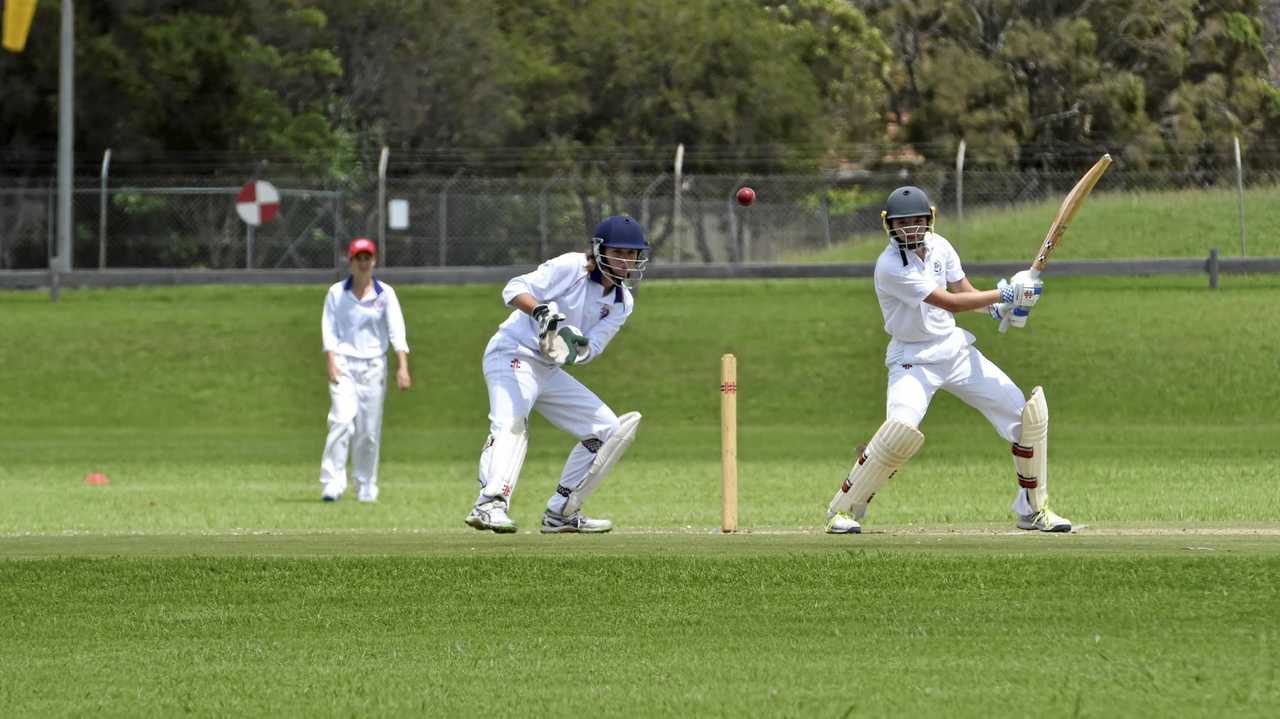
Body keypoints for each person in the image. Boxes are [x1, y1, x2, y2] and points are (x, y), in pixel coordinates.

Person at [824, 186, 1072, 534]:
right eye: (903, 223)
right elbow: (950, 304)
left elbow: (965, 293)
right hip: (912, 360)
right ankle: (844, 510)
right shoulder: (890, 267)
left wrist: (997, 308)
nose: (911, 228)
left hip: (955, 352)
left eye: (917, 220)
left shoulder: (941, 247)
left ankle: (1032, 511)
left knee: (1024, 418)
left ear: (930, 219)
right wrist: (1006, 292)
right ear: (890, 226)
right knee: (898, 432)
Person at [465, 215, 648, 534]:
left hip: (548, 368)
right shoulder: (572, 267)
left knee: (605, 430)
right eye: (620, 252)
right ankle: (489, 504)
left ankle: (561, 512)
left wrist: (570, 350)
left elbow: (592, 349)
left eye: (632, 255)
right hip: (513, 352)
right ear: (600, 250)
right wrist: (539, 310)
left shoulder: (622, 302)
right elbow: (513, 289)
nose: (626, 261)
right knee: (512, 422)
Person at [319, 237, 411, 502]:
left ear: (374, 261)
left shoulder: (385, 294)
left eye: (367, 257)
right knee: (341, 421)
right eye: (358, 258)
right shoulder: (337, 293)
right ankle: (333, 483)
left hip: (374, 366)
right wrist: (331, 361)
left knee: (368, 432)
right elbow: (329, 330)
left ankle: (366, 484)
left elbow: (397, 331)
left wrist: (402, 367)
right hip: (344, 364)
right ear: (351, 261)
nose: (363, 263)